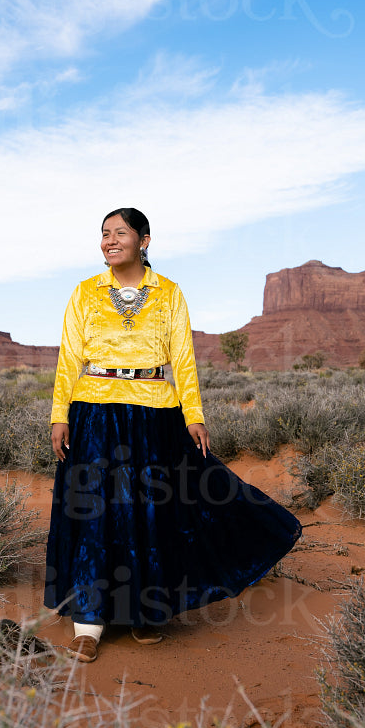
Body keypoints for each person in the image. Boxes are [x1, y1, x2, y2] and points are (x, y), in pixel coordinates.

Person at [44, 207, 302, 663]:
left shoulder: (169, 294)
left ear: (144, 240)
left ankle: (145, 612)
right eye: (104, 234)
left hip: (154, 414)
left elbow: (183, 357)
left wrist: (193, 415)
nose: (108, 241)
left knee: (148, 511)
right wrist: (58, 414)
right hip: (95, 410)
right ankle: (89, 621)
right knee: (96, 512)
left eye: (119, 233)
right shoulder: (84, 293)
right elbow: (69, 358)